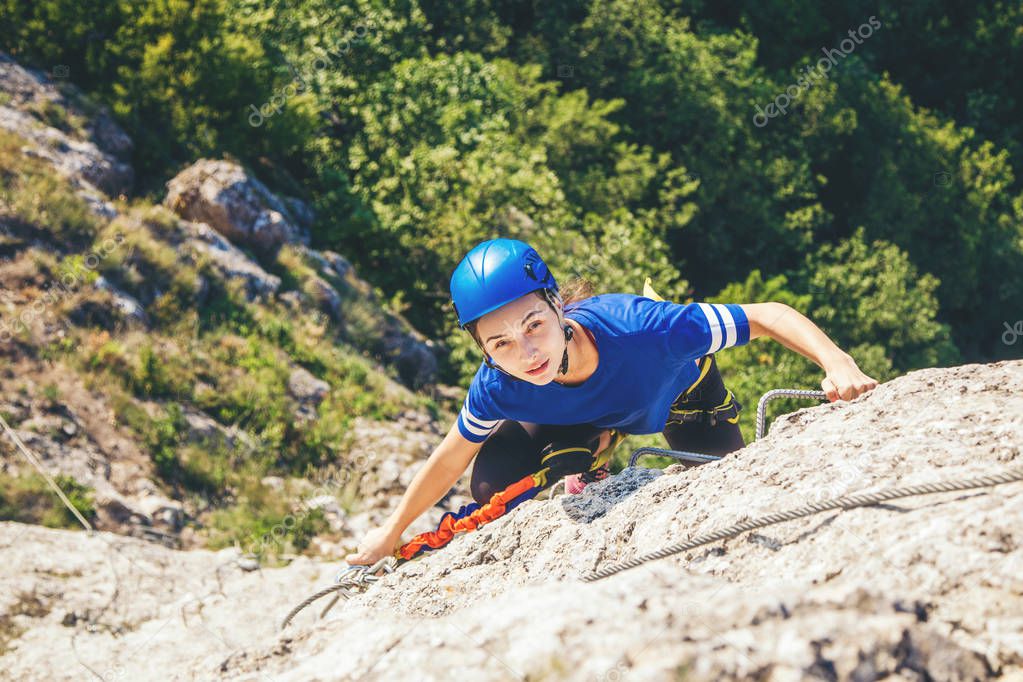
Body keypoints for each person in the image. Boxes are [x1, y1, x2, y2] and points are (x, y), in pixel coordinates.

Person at [346, 238, 877, 565]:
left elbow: (767, 313)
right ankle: (589, 446)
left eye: (534, 326)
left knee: (728, 489)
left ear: (558, 307)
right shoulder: (499, 382)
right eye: (500, 343)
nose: (526, 353)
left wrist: (837, 363)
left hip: (673, 395)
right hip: (578, 412)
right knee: (494, 485)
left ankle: (596, 438)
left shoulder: (646, 329)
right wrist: (390, 533)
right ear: (482, 349)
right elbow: (452, 455)